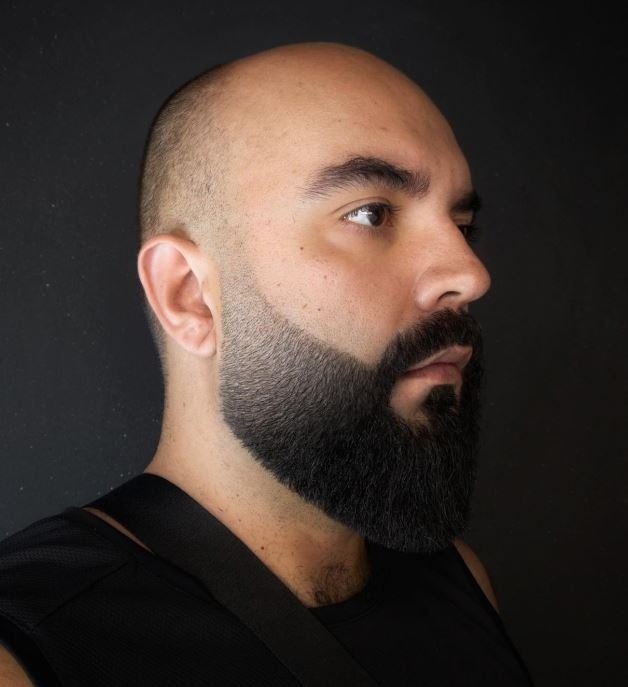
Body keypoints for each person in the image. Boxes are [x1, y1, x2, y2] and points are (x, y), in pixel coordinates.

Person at [0, 41, 534, 685]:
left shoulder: (458, 582)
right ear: (189, 296)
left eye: (462, 225)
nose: (470, 275)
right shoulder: (26, 652)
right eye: (371, 214)